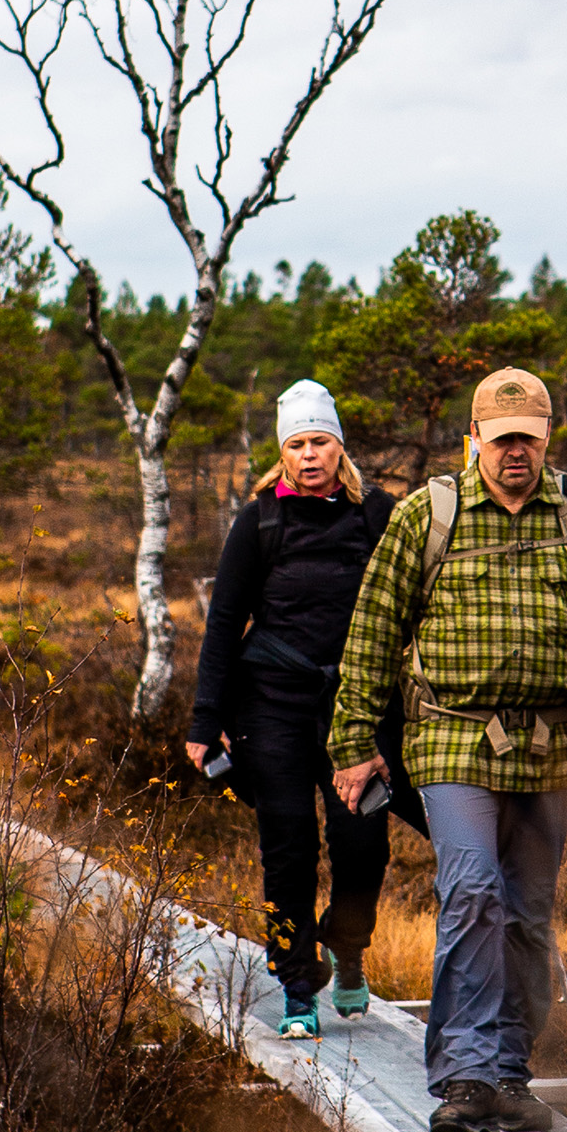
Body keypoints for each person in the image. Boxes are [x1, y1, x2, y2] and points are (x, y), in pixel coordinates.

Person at [330, 368, 567, 1132]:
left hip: (554, 744)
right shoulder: (427, 515)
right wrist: (355, 744)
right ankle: (463, 1075)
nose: (513, 454)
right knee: (472, 892)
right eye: (499, 441)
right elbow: (370, 632)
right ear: (475, 440)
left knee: (530, 914)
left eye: (527, 437)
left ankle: (508, 1072)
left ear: (547, 436)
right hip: (453, 738)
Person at [186, 379, 405, 1039]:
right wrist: (205, 718)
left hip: (358, 707)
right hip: (273, 704)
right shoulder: (260, 520)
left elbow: (413, 608)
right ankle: (296, 985)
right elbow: (225, 620)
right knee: (287, 847)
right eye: (298, 444)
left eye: (321, 441)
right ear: (283, 454)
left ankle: (349, 944)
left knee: (363, 843)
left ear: (340, 448)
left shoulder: (378, 516)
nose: (310, 455)